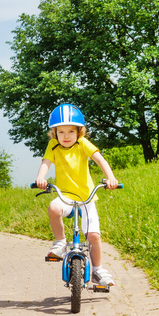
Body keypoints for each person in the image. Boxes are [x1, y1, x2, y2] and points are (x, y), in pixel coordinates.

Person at [34, 104, 120, 287]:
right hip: (65, 196)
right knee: (53, 207)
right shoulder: (53, 146)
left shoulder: (83, 144)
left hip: (85, 198)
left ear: (79, 132)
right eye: (61, 132)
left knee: (93, 236)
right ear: (54, 133)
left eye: (71, 131)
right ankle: (60, 243)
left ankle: (98, 270)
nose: (66, 136)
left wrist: (110, 178)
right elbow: (46, 162)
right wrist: (40, 177)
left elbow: (100, 159)